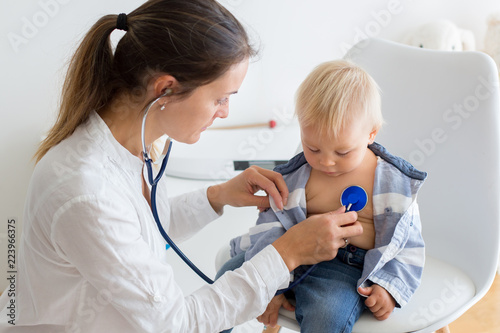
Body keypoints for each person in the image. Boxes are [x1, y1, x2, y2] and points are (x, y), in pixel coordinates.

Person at [0, 1, 364, 332]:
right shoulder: (85, 191)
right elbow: (177, 323)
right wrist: (288, 253)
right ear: (166, 90)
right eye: (220, 98)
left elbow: (139, 231)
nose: (225, 112)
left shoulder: (130, 146)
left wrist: (217, 197)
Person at [226, 60, 427, 332]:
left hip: (345, 269)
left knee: (327, 318)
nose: (326, 162)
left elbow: (407, 243)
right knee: (228, 283)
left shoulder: (393, 186)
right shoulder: (297, 176)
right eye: (313, 148)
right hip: (289, 253)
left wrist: (389, 286)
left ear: (371, 133)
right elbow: (272, 224)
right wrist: (269, 282)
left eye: (342, 152)